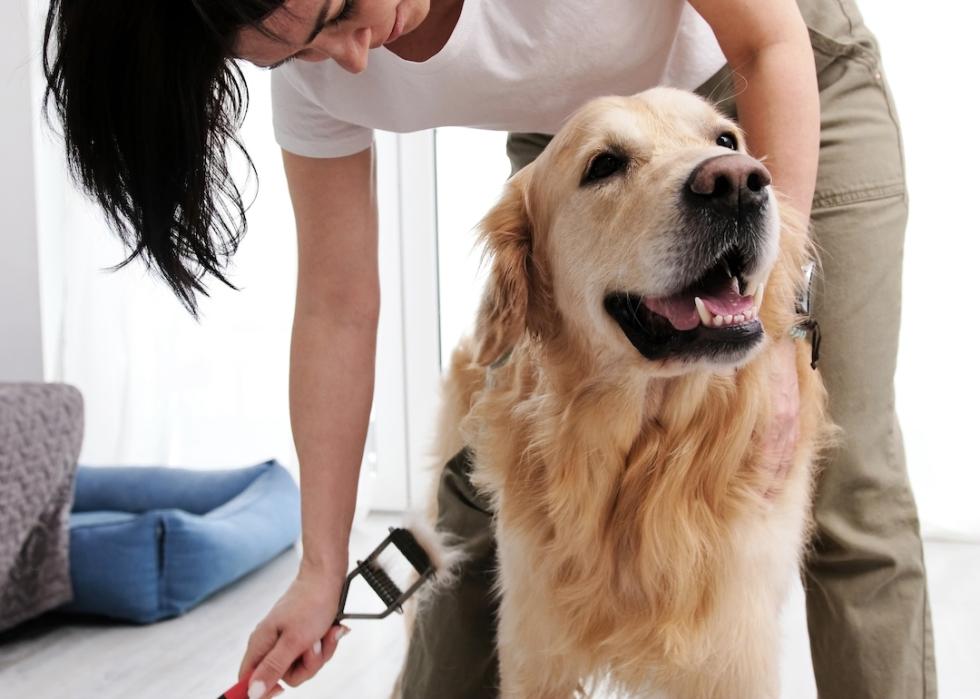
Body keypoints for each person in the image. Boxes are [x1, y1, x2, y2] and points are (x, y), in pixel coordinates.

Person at [41, 1, 935, 697]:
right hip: (586, 137)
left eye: (340, 9)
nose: (351, 57)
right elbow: (338, 305)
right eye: (301, 49)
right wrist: (320, 570)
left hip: (775, 70)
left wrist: (780, 334)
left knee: (838, 470)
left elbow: (768, 44)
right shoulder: (320, 65)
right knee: (489, 475)